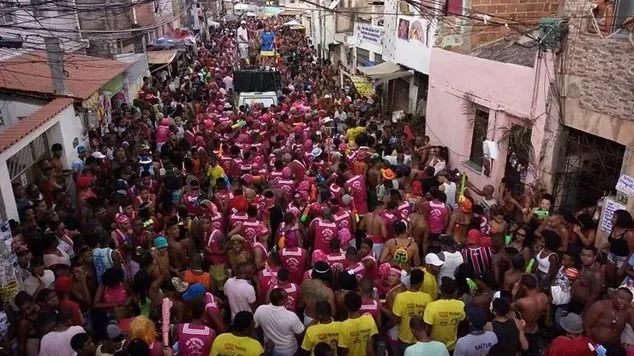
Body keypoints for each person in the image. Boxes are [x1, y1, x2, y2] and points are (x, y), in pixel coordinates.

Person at [254, 288, 305, 355]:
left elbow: (255, 326)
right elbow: (301, 333)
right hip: (288, 351)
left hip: (269, 349)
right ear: (284, 299)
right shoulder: (291, 316)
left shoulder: (260, 309)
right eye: (286, 295)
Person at [392, 269, 432, 353]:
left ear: (410, 280)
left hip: (404, 338)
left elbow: (396, 319)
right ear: (421, 283)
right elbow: (429, 320)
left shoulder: (400, 297)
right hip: (420, 338)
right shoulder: (427, 298)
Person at [423, 277, 466, 352]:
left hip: (434, 347)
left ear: (441, 290)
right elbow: (462, 324)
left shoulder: (431, 306)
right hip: (452, 346)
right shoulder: (461, 305)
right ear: (453, 291)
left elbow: (428, 328)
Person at [512, 274, 548, 355]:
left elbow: (511, 307)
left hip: (525, 331)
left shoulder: (522, 302)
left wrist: (515, 292)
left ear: (524, 286)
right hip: (536, 327)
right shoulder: (544, 296)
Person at [338, 292, 378, 356]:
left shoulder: (343, 326)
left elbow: (344, 350)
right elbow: (372, 339)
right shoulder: (369, 318)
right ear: (360, 304)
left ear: (346, 306)